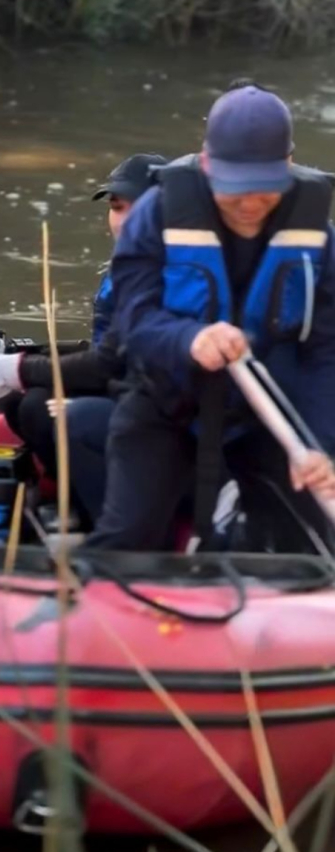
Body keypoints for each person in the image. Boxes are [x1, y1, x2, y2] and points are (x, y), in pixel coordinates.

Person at [90, 85, 335, 552]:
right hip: (169, 401)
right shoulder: (155, 216)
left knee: (304, 548)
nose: (248, 204)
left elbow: (325, 349)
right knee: (128, 537)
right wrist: (188, 338)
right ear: (206, 164)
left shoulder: (317, 236)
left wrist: (321, 442)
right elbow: (134, 320)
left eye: (262, 188)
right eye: (234, 188)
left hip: (267, 408)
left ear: (287, 165)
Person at [0, 153, 167, 525]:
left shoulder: (163, 271)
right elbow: (106, 345)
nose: (123, 221)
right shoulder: (128, 262)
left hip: (142, 393)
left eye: (138, 208)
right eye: (117, 208)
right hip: (118, 377)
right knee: (24, 402)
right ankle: (67, 495)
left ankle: (108, 520)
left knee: (39, 406)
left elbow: (116, 360)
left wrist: (19, 368)